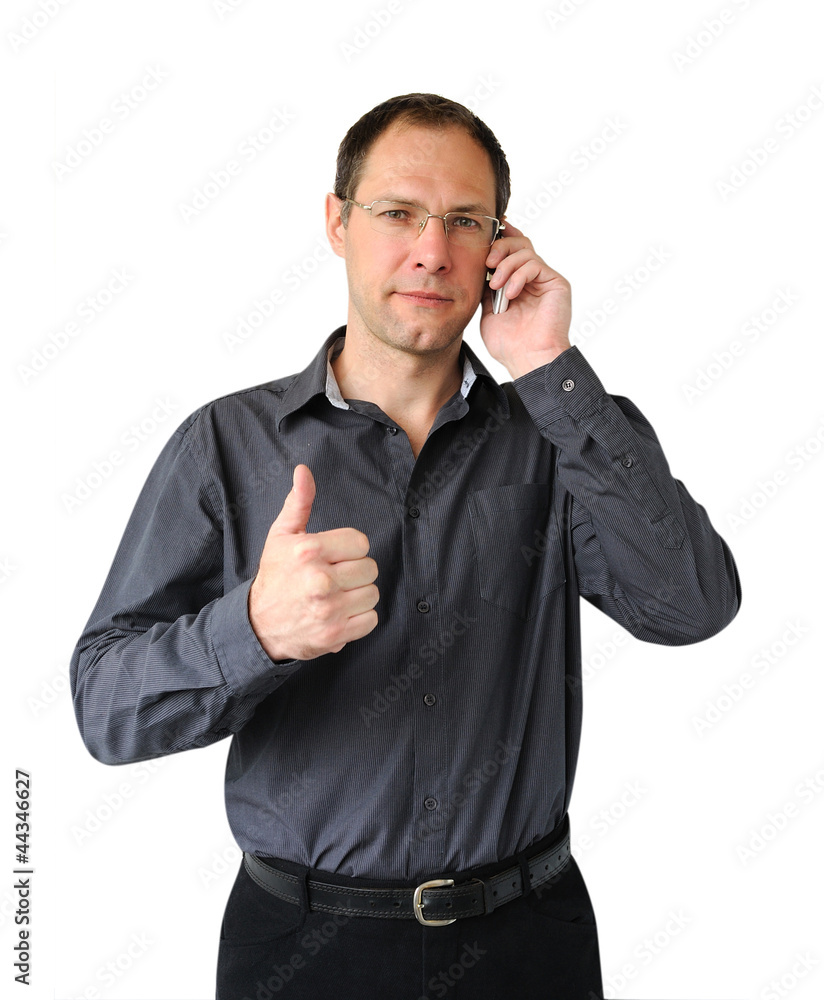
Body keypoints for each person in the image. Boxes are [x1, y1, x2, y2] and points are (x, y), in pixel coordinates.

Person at [70, 92, 741, 999]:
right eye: (397, 213)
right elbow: (106, 708)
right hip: (302, 952)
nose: (432, 250)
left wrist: (549, 368)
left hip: (529, 946)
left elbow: (693, 606)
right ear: (337, 223)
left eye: (465, 221)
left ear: (500, 245)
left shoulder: (563, 433)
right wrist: (255, 632)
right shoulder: (226, 444)